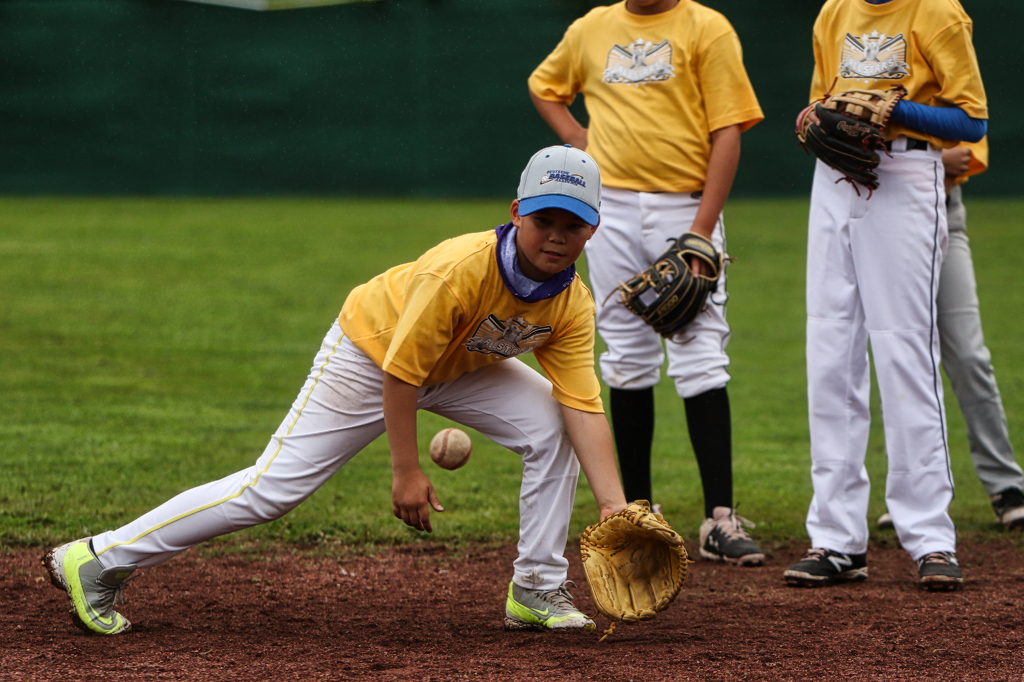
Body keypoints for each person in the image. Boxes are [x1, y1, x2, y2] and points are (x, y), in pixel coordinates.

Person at [42, 144, 629, 635]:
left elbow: (582, 403)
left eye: (572, 225)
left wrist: (613, 506)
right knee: (270, 491)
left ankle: (537, 586)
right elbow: (401, 373)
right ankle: (97, 558)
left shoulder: (572, 304)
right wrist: (406, 471)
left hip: (458, 368)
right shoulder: (459, 271)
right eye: (544, 220)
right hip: (370, 356)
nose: (556, 236)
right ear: (517, 212)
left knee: (553, 426)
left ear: (593, 228)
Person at [528, 0, 765, 566]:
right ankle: (638, 515)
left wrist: (701, 232)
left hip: (684, 207)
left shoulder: (705, 28)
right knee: (626, 356)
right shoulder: (592, 27)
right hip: (608, 209)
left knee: (700, 354)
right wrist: (578, 138)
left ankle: (720, 520)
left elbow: (728, 132)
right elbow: (544, 86)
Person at [783, 0, 988, 591]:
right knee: (829, 352)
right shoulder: (834, 12)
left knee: (904, 351)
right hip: (835, 178)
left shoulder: (938, 12)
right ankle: (836, 538)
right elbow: (821, 105)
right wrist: (815, 119)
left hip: (906, 175)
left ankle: (930, 537)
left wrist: (898, 110)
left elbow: (972, 122)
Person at [877, 140, 1024, 531]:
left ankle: (1006, 486)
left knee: (970, 357)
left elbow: (961, 161)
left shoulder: (955, 97)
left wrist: (901, 160)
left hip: (944, 216)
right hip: (882, 224)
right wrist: (929, 159)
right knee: (905, 361)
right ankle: (912, 492)